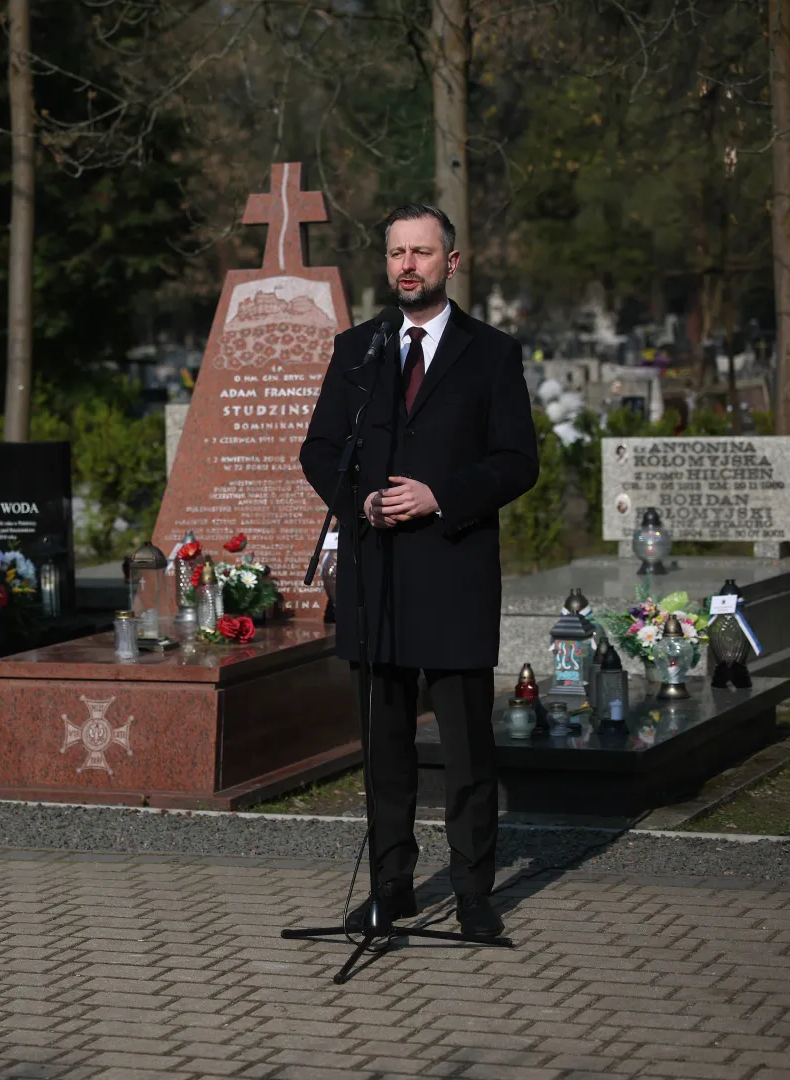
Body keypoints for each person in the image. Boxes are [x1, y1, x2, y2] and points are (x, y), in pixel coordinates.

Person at [299, 206, 539, 938]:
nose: (409, 265)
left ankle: (472, 893)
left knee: (467, 749)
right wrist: (358, 499)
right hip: (377, 579)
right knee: (386, 750)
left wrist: (442, 495)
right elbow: (319, 449)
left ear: (452, 262)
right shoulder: (357, 350)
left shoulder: (490, 354)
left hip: (455, 571)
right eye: (398, 253)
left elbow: (516, 461)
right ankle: (392, 887)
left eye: (423, 253)